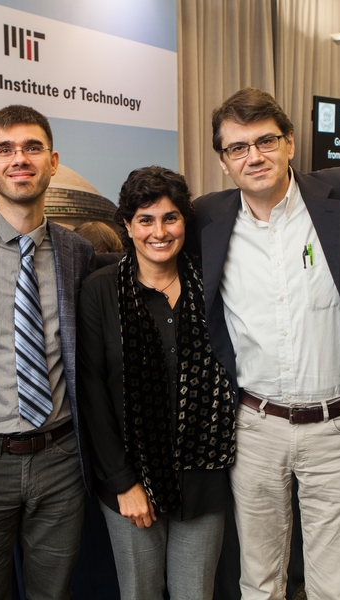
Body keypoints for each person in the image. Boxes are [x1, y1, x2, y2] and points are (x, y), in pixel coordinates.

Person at [189, 88, 340, 600]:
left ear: (291, 143)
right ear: (224, 161)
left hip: (339, 428)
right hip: (254, 427)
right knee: (257, 576)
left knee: (334, 583)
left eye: (266, 140)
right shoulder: (206, 219)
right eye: (237, 148)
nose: (254, 156)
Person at [0, 104, 94, 600]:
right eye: (4, 150)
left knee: (55, 593)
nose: (19, 159)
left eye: (31, 148)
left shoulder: (77, 252)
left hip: (61, 458)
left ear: (52, 160)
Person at [77, 166, 236, 599]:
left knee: (195, 593)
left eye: (170, 218)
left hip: (203, 479)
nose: (159, 231)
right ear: (127, 226)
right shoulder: (99, 291)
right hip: (131, 481)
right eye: (145, 220)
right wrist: (123, 483)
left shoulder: (215, 286)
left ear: (185, 221)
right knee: (140, 593)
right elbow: (91, 394)